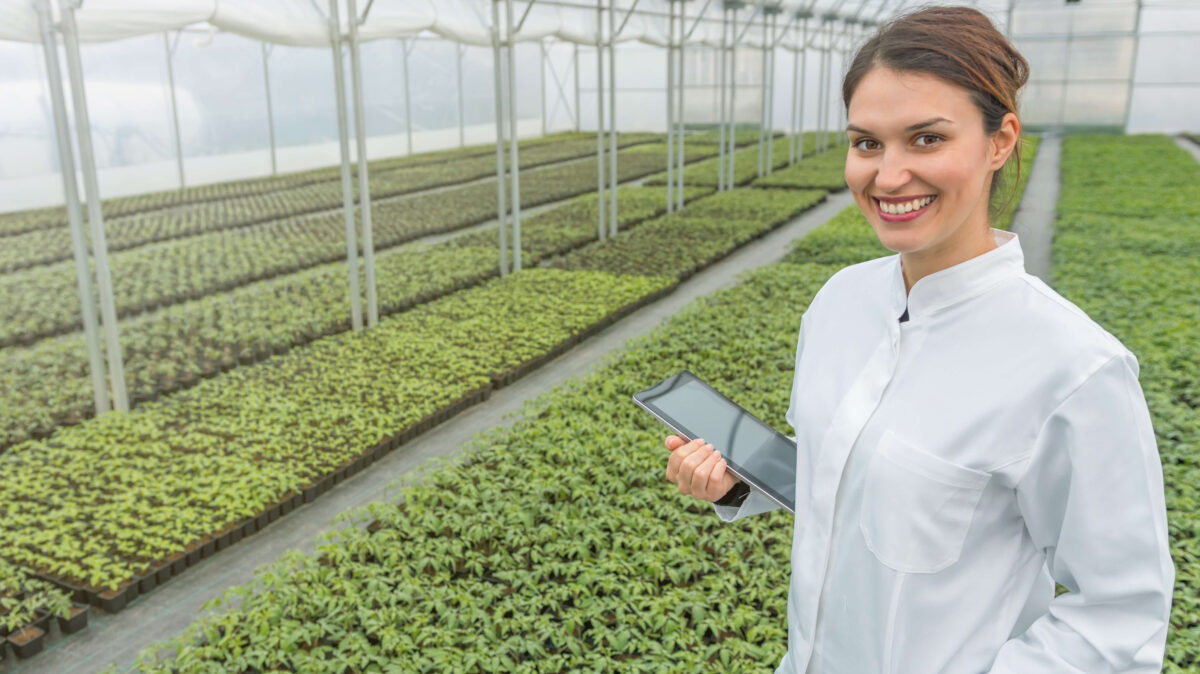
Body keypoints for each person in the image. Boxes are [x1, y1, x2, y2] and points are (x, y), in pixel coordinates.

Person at [662, 5, 1175, 673]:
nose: (888, 175)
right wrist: (739, 485)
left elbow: (1119, 619)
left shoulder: (1072, 368)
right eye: (867, 143)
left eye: (927, 139)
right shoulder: (840, 302)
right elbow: (839, 468)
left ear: (1000, 141)